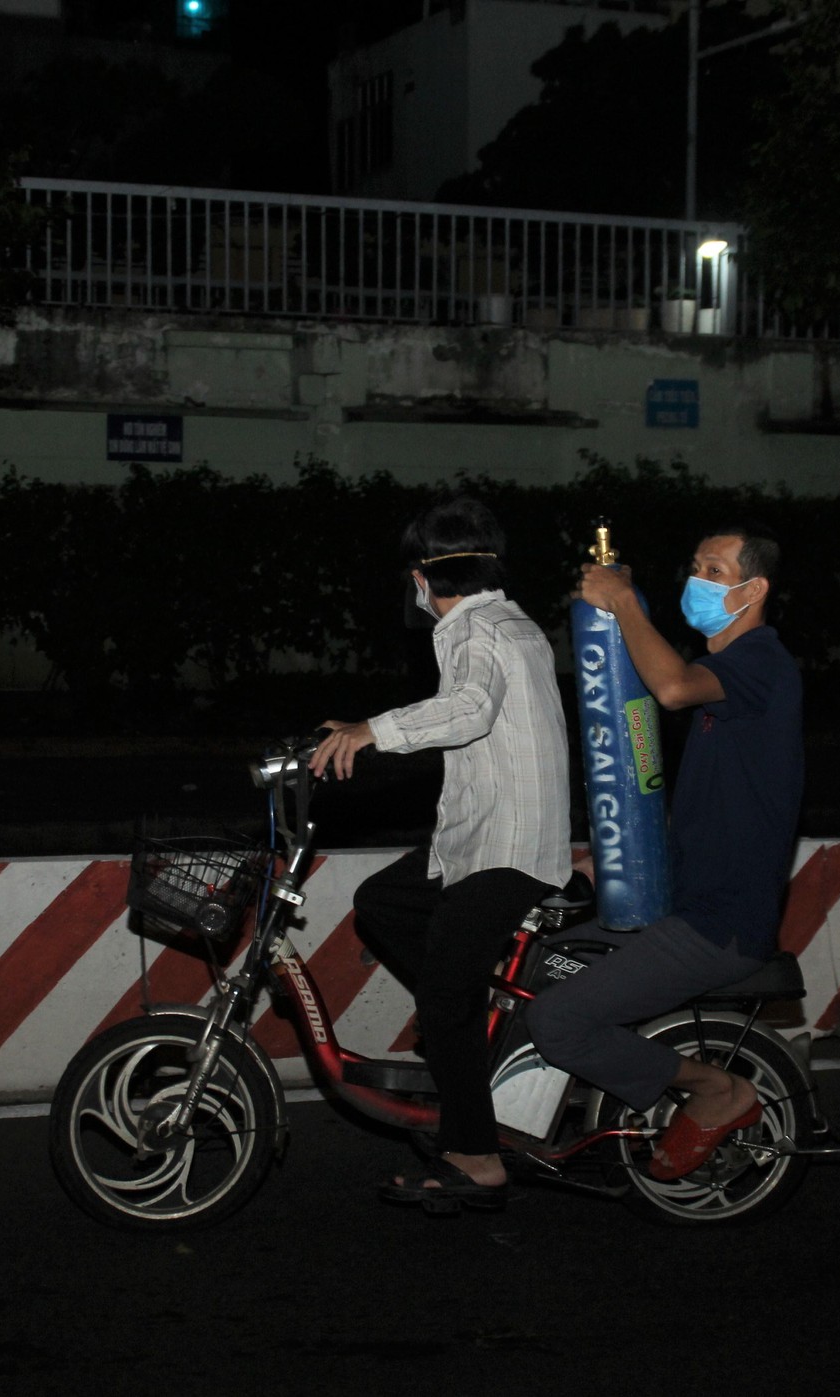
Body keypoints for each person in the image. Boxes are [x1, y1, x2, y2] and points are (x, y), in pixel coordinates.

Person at [310, 497, 571, 1213]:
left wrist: (370, 730)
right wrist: (366, 730)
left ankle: (477, 1155)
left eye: (414, 572)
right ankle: (461, 1020)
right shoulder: (509, 619)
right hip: (489, 833)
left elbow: (467, 709)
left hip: (505, 846)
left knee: (444, 998)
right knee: (383, 903)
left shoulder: (468, 629)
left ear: (427, 576)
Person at [526, 524, 803, 1181]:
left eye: (716, 568)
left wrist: (623, 602)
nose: (699, 578)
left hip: (717, 923)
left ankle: (717, 1090)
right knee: (542, 958)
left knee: (557, 1018)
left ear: (754, 587)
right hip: (680, 900)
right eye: (696, 564)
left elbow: (671, 688)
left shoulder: (760, 660)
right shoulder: (727, 672)